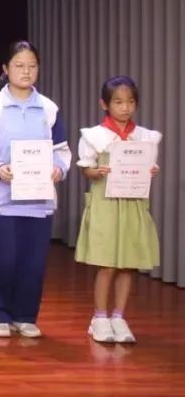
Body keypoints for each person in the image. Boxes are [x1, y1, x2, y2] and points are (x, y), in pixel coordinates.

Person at [0, 41, 71, 339]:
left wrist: (58, 169)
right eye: (19, 66)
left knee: (33, 263)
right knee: (3, 261)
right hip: (0, 202)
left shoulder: (49, 108)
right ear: (6, 69)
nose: (26, 71)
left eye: (32, 66)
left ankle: (26, 316)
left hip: (39, 202)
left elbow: (62, 151)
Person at [75, 75, 161, 344]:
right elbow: (87, 170)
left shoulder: (144, 137)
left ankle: (119, 316)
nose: (125, 107)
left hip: (132, 203)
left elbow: (147, 168)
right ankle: (99, 318)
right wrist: (96, 171)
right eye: (118, 102)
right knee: (107, 264)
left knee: (127, 264)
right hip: (106, 204)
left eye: (130, 102)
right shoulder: (95, 136)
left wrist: (151, 171)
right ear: (105, 104)